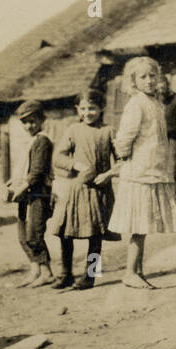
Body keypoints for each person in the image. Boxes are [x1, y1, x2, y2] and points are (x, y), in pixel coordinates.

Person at [110, 58, 176, 288]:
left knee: (145, 224)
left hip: (154, 169)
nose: (149, 81)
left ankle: (137, 270)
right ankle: (130, 272)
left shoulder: (156, 103)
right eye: (143, 77)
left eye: (152, 75)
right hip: (139, 172)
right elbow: (123, 139)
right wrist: (127, 158)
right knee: (139, 225)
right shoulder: (136, 104)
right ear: (133, 81)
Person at [50, 89, 118, 289]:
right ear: (77, 110)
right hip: (77, 189)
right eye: (84, 108)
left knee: (96, 236)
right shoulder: (73, 130)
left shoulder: (108, 131)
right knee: (65, 233)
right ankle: (65, 274)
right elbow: (58, 157)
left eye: (93, 108)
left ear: (101, 108)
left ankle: (91, 277)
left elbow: (122, 159)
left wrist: (108, 174)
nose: (88, 113)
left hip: (99, 190)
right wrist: (75, 165)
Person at [6, 99, 55, 287]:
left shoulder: (43, 141)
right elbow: (24, 168)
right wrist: (14, 181)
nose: (28, 126)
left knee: (34, 233)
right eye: (25, 122)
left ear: (42, 119)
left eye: (32, 121)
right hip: (25, 192)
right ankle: (34, 269)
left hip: (38, 193)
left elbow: (37, 172)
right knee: (22, 235)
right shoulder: (31, 141)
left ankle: (47, 272)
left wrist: (22, 186)